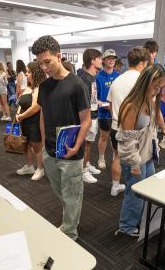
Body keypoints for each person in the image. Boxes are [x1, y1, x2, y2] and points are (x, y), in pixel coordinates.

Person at [33, 35, 91, 240]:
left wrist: (76, 147)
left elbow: (86, 120)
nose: (44, 67)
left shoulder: (77, 85)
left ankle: (70, 232)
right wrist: (42, 145)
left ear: (59, 56)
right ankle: (70, 220)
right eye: (40, 63)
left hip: (71, 151)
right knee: (62, 193)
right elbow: (42, 115)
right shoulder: (45, 87)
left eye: (47, 62)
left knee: (72, 194)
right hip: (50, 150)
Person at [116, 65, 165, 237]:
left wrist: (164, 129)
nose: (157, 90)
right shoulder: (132, 106)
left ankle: (137, 220)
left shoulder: (149, 101)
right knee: (135, 193)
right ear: (145, 82)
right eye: (155, 86)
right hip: (135, 158)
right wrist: (134, 165)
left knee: (146, 190)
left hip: (146, 154)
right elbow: (128, 140)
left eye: (160, 87)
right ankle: (126, 226)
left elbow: (152, 123)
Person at [108, 47, 151, 196]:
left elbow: (110, 105)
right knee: (136, 166)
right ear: (143, 63)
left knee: (117, 157)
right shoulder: (142, 82)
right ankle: (134, 193)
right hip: (134, 131)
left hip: (115, 127)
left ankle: (115, 186)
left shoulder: (117, 80)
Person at [15, 61, 46, 181]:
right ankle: (29, 166)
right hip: (24, 121)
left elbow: (35, 107)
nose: (26, 74)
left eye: (29, 72)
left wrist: (21, 116)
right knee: (26, 144)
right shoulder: (28, 87)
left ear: (35, 73)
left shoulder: (39, 87)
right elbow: (21, 102)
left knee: (37, 147)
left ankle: (40, 169)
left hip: (34, 121)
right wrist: (18, 113)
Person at [76, 48, 103, 184]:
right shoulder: (85, 79)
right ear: (93, 61)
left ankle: (87, 164)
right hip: (88, 117)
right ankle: (83, 170)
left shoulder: (91, 77)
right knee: (85, 144)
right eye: (99, 58)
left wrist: (98, 103)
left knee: (89, 143)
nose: (101, 61)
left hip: (93, 114)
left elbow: (90, 98)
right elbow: (83, 102)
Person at [96, 50, 121, 171]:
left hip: (116, 114)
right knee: (103, 137)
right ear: (104, 60)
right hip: (104, 113)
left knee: (116, 137)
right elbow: (94, 99)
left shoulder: (118, 76)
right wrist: (105, 104)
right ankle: (101, 158)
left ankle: (115, 156)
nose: (111, 60)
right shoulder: (98, 77)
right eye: (108, 58)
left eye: (113, 58)